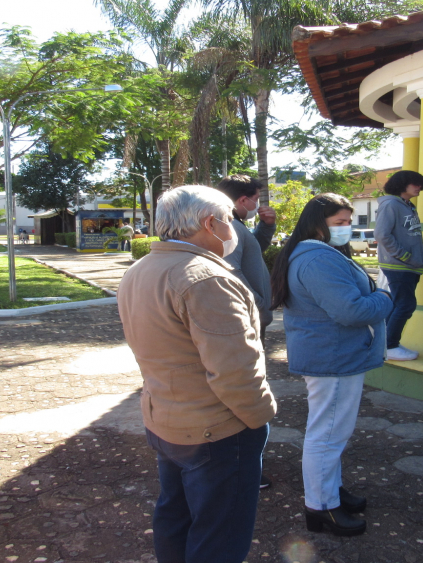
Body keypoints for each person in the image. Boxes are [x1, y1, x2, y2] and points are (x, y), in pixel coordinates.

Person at [117, 186, 276, 563]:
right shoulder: (206, 278)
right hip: (216, 428)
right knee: (219, 534)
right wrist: (259, 419)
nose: (233, 229)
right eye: (229, 221)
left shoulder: (141, 269)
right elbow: (236, 370)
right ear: (210, 223)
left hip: (166, 419)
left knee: (175, 515)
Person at [269, 193, 392, 537]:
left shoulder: (316, 253)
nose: (347, 229)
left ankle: (330, 491)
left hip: (335, 354)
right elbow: (351, 311)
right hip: (334, 357)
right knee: (327, 435)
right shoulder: (317, 259)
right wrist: (384, 296)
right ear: (317, 223)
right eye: (339, 223)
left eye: (348, 222)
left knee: (332, 432)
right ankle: (321, 507)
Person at [374, 170, 423, 361]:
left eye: (421, 184)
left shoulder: (407, 205)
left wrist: (421, 255)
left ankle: (385, 344)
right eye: (416, 184)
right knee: (406, 305)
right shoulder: (391, 204)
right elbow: (382, 235)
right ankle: (389, 346)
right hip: (399, 265)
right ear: (402, 184)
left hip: (410, 265)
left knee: (400, 304)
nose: (420, 188)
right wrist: (405, 255)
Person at [216, 174, 277, 341]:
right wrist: (259, 306)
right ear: (243, 200)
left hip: (247, 316)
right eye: (255, 199)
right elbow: (230, 272)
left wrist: (267, 225)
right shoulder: (230, 226)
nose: (257, 205)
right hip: (245, 318)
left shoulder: (233, 224)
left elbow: (252, 251)